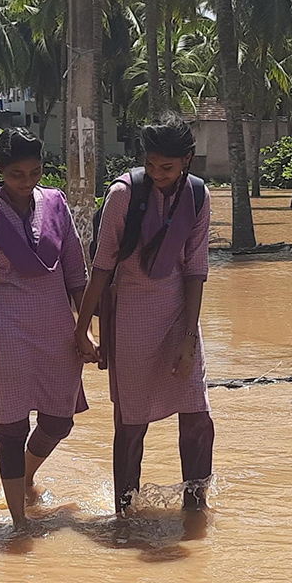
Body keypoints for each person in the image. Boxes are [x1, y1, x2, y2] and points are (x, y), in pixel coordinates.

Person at [73, 113, 214, 515]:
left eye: (167, 167)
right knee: (132, 420)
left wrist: (189, 340)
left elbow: (196, 268)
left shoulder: (198, 196)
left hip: (177, 310)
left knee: (197, 413)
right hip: (130, 309)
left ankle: (195, 504)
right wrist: (83, 329)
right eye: (151, 165)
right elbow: (101, 267)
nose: (157, 174)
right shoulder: (123, 195)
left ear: (187, 159)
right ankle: (125, 511)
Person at [0, 128, 89, 532]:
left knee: (58, 422)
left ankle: (28, 476)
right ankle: (18, 522)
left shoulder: (56, 203)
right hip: (8, 332)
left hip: (57, 330)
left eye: (34, 173)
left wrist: (85, 330)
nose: (27, 182)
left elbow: (76, 272)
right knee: (10, 428)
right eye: (17, 174)